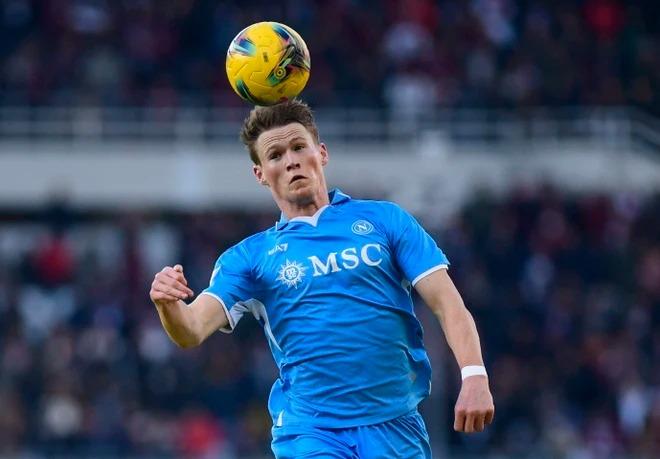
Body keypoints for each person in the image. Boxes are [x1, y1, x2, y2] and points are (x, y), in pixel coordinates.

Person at [149, 100, 494, 458]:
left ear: (322, 153)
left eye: (299, 147)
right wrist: (167, 303)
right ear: (260, 174)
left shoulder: (385, 220)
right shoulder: (249, 258)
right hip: (311, 430)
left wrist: (474, 375)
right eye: (276, 155)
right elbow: (191, 330)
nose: (291, 161)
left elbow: (448, 304)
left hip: (395, 423)